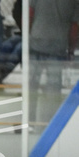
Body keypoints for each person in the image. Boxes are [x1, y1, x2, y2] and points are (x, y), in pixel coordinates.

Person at [28, 0, 79, 130]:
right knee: (53, 89)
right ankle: (50, 126)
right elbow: (74, 27)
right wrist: (71, 50)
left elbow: (29, 13)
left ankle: (29, 122)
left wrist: (28, 36)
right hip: (58, 46)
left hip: (36, 42)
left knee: (31, 86)